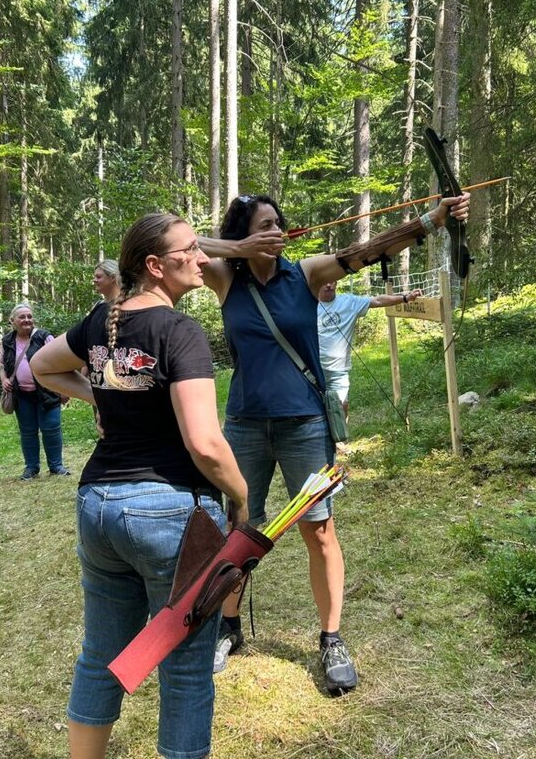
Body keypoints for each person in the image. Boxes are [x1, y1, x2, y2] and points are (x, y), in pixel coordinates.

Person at [198, 190, 470, 695]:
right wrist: (239, 250)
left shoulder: (304, 274)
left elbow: (365, 251)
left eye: (279, 223)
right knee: (238, 528)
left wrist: (433, 221)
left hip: (305, 423)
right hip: (244, 425)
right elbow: (183, 246)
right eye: (264, 225)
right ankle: (228, 628)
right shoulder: (224, 278)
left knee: (319, 531)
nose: (276, 232)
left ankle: (331, 638)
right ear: (243, 233)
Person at [29, 213, 249, 759]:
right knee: (186, 668)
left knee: (101, 651)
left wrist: (97, 398)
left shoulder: (103, 322)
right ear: (156, 265)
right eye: (191, 250)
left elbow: (42, 368)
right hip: (168, 515)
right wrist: (243, 499)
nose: (203, 259)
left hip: (98, 505)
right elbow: (205, 444)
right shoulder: (180, 331)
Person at [318, 280, 422, 424]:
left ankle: (339, 440)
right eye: (325, 281)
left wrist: (405, 298)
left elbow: (378, 300)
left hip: (339, 369)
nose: (329, 284)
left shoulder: (349, 302)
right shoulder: (307, 304)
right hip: (313, 368)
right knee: (315, 409)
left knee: (342, 405)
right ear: (317, 282)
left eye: (333, 281)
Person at [0, 302, 70, 480]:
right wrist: (5, 379)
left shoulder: (44, 337)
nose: (26, 320)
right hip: (22, 395)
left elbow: (60, 360)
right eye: (22, 317)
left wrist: (64, 388)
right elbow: (0, 364)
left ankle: (56, 466)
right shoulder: (7, 341)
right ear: (12, 321)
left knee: (51, 429)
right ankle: (31, 468)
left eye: (29, 316)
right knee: (28, 431)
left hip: (48, 392)